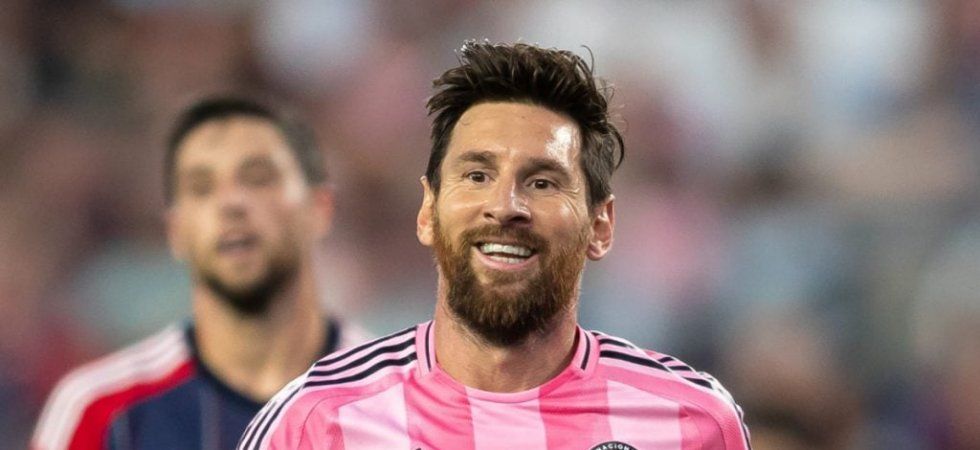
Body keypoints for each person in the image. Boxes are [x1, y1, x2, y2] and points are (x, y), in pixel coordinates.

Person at [238, 41, 751, 450]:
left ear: (600, 226)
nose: (505, 206)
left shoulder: (693, 423)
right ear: (427, 211)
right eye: (477, 175)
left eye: (543, 182)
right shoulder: (314, 423)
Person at [32, 96, 369, 450]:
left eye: (258, 179)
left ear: (320, 208)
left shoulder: (399, 400)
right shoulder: (100, 411)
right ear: (175, 230)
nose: (231, 204)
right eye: (201, 187)